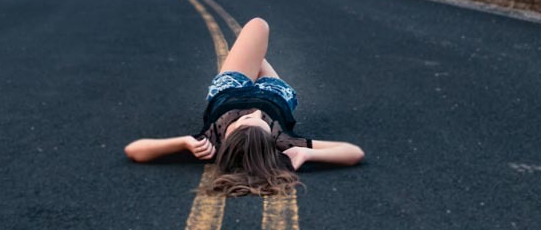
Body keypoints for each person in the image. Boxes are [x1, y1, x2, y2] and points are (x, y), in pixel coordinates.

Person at [124, 17, 365, 196]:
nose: (254, 112)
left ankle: (245, 55)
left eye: (241, 121)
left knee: (254, 30)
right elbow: (353, 152)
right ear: (271, 139)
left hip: (231, 87)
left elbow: (134, 150)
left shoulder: (211, 143)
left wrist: (183, 142)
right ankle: (248, 54)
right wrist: (308, 153)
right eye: (261, 121)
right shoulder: (285, 144)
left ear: (227, 137)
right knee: (258, 28)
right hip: (273, 92)